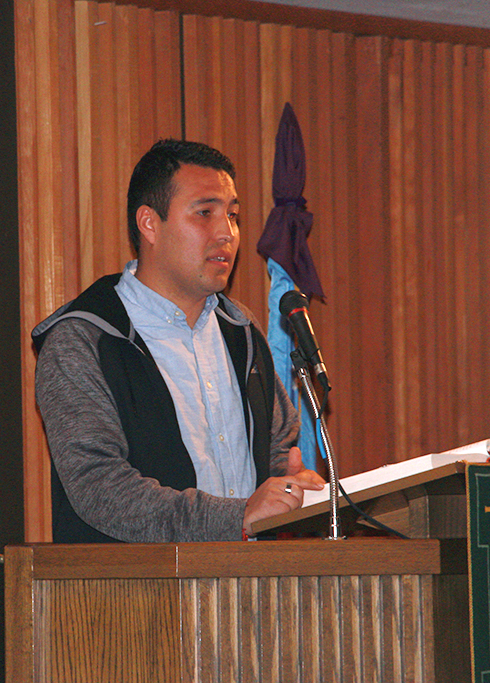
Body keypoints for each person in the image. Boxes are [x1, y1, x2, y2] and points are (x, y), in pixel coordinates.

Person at [31, 138, 325, 543]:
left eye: (234, 216)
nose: (227, 233)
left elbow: (274, 458)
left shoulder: (243, 333)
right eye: (205, 213)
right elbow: (100, 488)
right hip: (139, 600)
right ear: (149, 223)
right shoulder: (84, 340)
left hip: (249, 592)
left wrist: (291, 485)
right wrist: (235, 517)